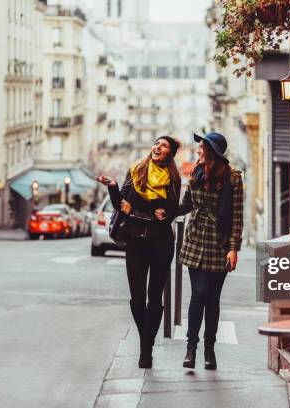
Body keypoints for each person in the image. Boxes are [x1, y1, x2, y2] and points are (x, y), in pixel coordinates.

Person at [97, 136, 181, 368]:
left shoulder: (173, 179)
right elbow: (120, 205)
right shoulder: (136, 171)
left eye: (163, 146)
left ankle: (146, 348)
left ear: (170, 153)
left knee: (155, 297)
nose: (157, 147)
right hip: (135, 241)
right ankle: (147, 339)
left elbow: (167, 215)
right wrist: (113, 187)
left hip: (161, 243)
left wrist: (137, 211)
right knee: (137, 297)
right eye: (156, 143)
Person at [175, 132, 244, 370]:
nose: (198, 150)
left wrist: (233, 248)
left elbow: (236, 217)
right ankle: (191, 347)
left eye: (202, 147)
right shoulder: (196, 172)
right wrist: (164, 209)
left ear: (212, 151)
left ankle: (209, 349)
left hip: (219, 243)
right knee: (199, 293)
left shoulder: (233, 178)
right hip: (195, 240)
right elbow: (186, 205)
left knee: (212, 299)